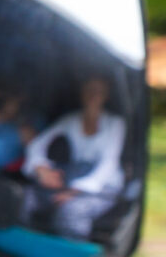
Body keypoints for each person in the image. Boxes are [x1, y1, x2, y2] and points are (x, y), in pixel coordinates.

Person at [22, 75, 126, 240]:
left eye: (98, 92)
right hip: (70, 177)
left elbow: (109, 163)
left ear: (106, 96)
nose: (93, 95)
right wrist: (41, 169)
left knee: (71, 211)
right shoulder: (70, 120)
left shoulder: (116, 124)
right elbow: (37, 145)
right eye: (89, 90)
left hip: (102, 186)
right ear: (81, 94)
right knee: (26, 200)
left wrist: (75, 191)